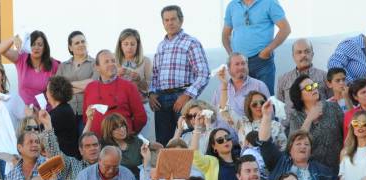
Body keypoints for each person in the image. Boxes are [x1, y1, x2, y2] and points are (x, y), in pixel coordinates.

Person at [149, 6, 210, 144]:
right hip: (161, 100)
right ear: (163, 23)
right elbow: (155, 75)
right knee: (163, 142)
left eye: (173, 19)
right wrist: (151, 93)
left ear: (181, 20)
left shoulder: (191, 42)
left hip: (182, 97)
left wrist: (187, 95)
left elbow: (204, 73)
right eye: (166, 20)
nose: (170, 23)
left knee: (185, 139)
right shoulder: (161, 46)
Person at [222, 0, 290, 94]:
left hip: (262, 62)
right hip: (239, 65)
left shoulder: (270, 2)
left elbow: (285, 29)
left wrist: (267, 51)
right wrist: (232, 57)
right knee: (241, 102)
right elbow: (225, 35)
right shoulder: (232, 5)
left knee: (265, 100)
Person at [82, 49, 146, 137]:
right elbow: (86, 118)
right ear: (97, 67)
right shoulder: (90, 88)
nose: (111, 64)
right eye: (106, 62)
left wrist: (128, 134)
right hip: (98, 144)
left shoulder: (129, 86)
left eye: (113, 61)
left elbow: (141, 118)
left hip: (123, 143)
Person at [287, 75, 345, 170]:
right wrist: (309, 119)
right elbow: (294, 143)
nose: (313, 89)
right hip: (313, 171)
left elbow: (347, 134)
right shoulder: (296, 116)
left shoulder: (333, 107)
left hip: (338, 166)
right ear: (299, 95)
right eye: (308, 88)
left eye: (314, 85)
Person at [0, 30, 60, 106]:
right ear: (28, 46)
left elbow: (58, 90)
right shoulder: (21, 58)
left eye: (40, 45)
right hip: (25, 112)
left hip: (45, 113)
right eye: (33, 44)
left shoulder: (53, 64)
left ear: (45, 48)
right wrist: (13, 39)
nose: (36, 47)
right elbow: (1, 49)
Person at [55, 31, 97, 126]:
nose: (81, 44)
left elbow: (94, 84)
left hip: (88, 112)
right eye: (77, 43)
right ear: (70, 47)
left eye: (83, 41)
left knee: (84, 139)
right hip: (67, 112)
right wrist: (84, 86)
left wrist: (68, 85)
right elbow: (57, 89)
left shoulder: (95, 63)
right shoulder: (63, 66)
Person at [277, 39, 329, 114]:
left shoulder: (324, 76)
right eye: (299, 52)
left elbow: (332, 101)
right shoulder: (282, 79)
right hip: (290, 124)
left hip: (321, 122)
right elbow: (280, 109)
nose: (303, 55)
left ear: (312, 54)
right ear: (293, 56)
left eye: (307, 51)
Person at [211, 53, 271, 118]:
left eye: (243, 63)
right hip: (221, 127)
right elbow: (212, 113)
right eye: (237, 64)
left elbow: (270, 114)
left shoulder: (259, 86)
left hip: (247, 126)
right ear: (229, 69)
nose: (241, 67)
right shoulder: (221, 88)